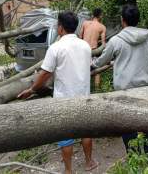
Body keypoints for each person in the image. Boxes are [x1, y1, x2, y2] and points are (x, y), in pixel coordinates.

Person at [18, 11, 98, 174]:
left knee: (66, 135)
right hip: (84, 97)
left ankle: (68, 170)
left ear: (60, 27)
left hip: (64, 100)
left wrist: (32, 89)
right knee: (86, 131)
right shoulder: (85, 46)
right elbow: (88, 67)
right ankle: (89, 162)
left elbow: (45, 74)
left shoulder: (56, 48)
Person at [92, 4, 148, 153]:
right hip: (146, 91)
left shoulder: (116, 41)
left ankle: (135, 161)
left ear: (122, 20)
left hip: (124, 93)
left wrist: (92, 63)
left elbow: (100, 62)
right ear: (138, 19)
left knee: (129, 130)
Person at [80, 8, 106, 88]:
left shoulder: (85, 23)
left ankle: (81, 88)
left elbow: (80, 37)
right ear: (100, 16)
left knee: (81, 71)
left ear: (93, 14)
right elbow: (103, 44)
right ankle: (97, 90)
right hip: (93, 51)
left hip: (83, 51)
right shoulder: (102, 27)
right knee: (97, 71)